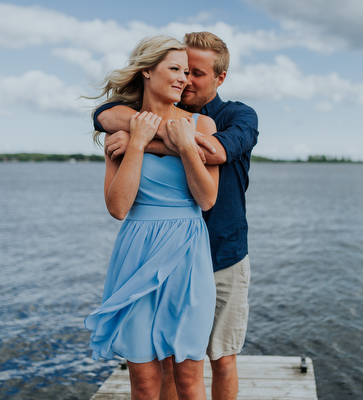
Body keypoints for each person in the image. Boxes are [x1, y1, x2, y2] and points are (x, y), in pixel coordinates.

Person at [93, 32, 259, 400]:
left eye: (193, 72)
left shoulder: (223, 120)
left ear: (219, 77)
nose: (185, 79)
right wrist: (136, 140)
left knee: (209, 364)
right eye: (179, 69)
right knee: (148, 380)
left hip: (209, 252)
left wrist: (177, 142)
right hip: (138, 252)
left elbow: (209, 187)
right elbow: (118, 207)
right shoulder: (120, 126)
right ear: (146, 72)